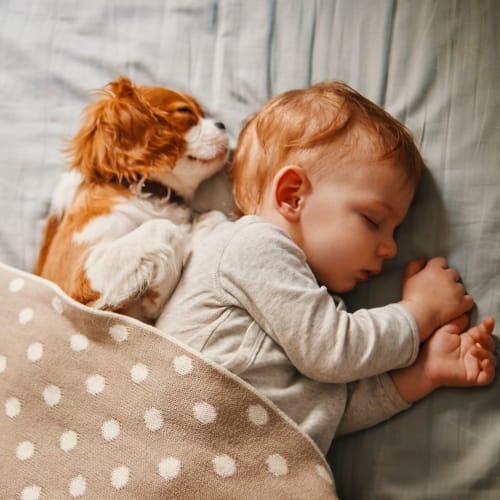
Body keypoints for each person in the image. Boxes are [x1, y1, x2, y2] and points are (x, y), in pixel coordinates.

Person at [156, 81, 496, 457]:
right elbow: (332, 352)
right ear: (292, 197)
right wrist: (419, 313)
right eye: (372, 220)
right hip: (178, 449)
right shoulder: (251, 244)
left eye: (395, 231)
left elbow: (318, 415)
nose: (391, 248)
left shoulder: (304, 303)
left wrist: (424, 373)